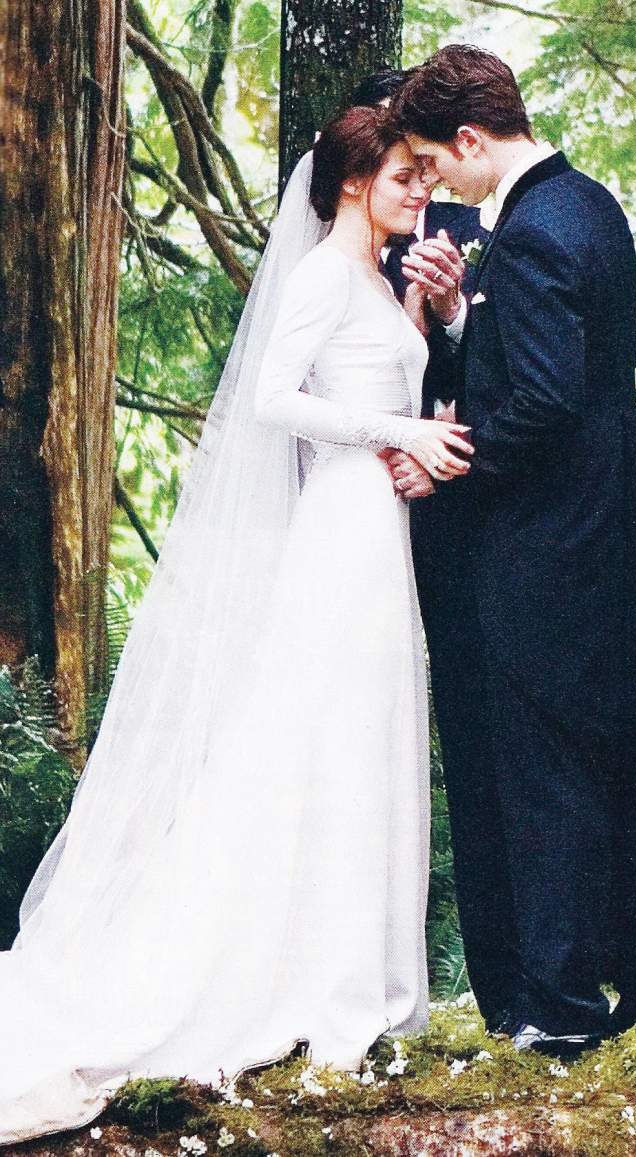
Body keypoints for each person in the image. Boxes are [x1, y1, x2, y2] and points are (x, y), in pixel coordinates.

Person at [0, 106, 472, 1144]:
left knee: (366, 737)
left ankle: (358, 976)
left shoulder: (379, 279)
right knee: (324, 738)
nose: (420, 191)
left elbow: (388, 375)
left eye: (424, 176)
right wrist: (392, 430)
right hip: (340, 527)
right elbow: (271, 398)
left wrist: (435, 329)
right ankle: (307, 982)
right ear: (353, 181)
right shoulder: (319, 277)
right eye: (404, 175)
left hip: (379, 523)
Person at [388, 45, 636, 1056]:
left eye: (437, 161)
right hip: (605, 530)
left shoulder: (528, 234)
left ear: (472, 138)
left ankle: (558, 1011)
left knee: (546, 776)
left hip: (548, 548)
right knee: (606, 771)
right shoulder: (590, 205)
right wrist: (461, 322)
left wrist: (451, 462)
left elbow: (547, 400)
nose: (438, 183)